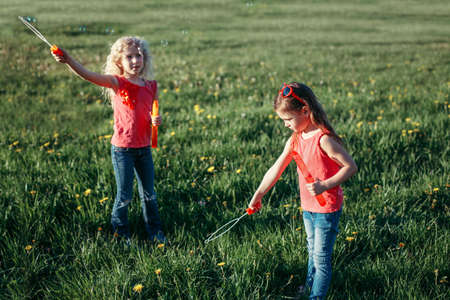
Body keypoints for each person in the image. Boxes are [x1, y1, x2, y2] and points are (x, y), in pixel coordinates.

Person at [52, 36, 166, 244]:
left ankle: (155, 231)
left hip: (144, 148)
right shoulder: (117, 82)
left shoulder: (151, 85)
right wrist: (68, 60)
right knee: (124, 196)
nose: (135, 61)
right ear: (119, 61)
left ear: (144, 58)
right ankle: (121, 234)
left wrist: (155, 120)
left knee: (149, 194)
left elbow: (152, 112)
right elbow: (88, 75)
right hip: (123, 150)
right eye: (129, 56)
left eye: (138, 55)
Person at [248, 82, 357, 299]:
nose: (286, 125)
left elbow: (351, 167)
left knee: (322, 258)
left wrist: (325, 185)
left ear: (305, 110)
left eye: (288, 119)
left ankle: (315, 297)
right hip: (308, 207)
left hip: (327, 209)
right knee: (312, 251)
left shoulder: (323, 140)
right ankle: (309, 289)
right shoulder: (295, 139)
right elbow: (276, 169)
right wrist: (258, 194)